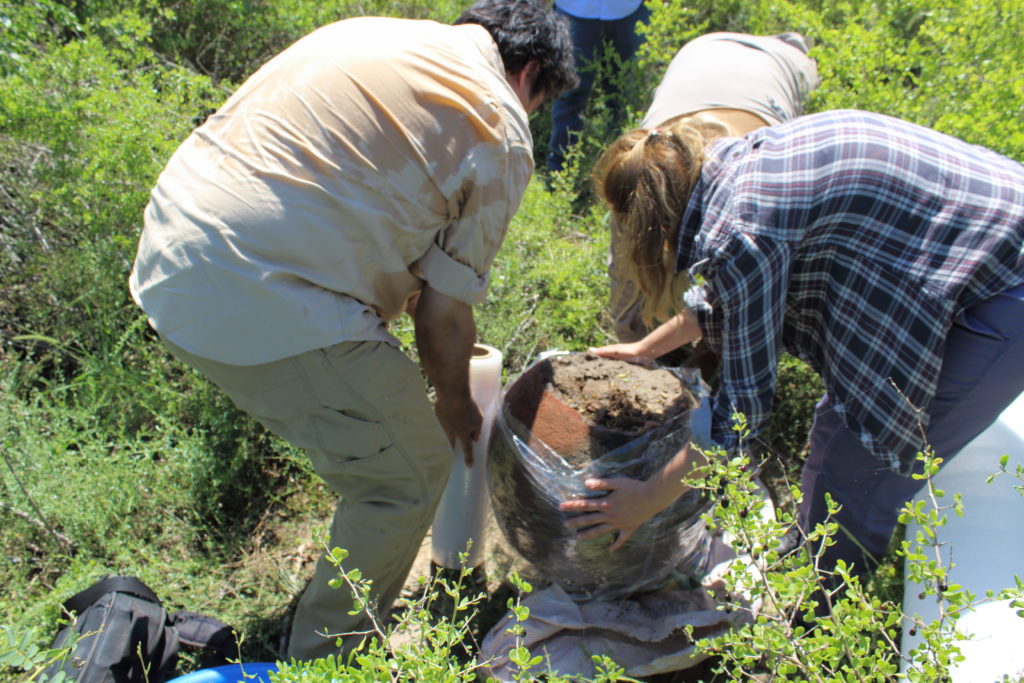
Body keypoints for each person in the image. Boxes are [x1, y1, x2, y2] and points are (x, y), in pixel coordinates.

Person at [129, 0, 576, 661]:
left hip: (173, 245)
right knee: (411, 467)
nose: (529, 116)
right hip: (255, 287)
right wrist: (455, 406)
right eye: (538, 102)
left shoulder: (375, 35)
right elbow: (443, 315)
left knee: (375, 425)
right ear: (530, 73)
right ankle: (325, 659)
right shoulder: (500, 122)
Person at [562, 109, 1024, 587]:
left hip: (1006, 281)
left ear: (654, 228)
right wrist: (645, 349)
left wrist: (646, 499)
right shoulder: (726, 169)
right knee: (837, 421)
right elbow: (728, 293)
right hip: (974, 233)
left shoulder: (742, 229)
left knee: (863, 467)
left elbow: (741, 416)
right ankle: (811, 547)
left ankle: (824, 612)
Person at [609, 32, 820, 344]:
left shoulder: (748, 195)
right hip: (699, 55)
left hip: (766, 68)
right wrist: (632, 344)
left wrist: (712, 348)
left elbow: (747, 286)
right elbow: (624, 276)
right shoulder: (640, 170)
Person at [546, 0, 650, 172]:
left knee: (624, 97)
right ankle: (560, 171)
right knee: (570, 93)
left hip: (628, 9)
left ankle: (623, 170)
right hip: (574, 9)